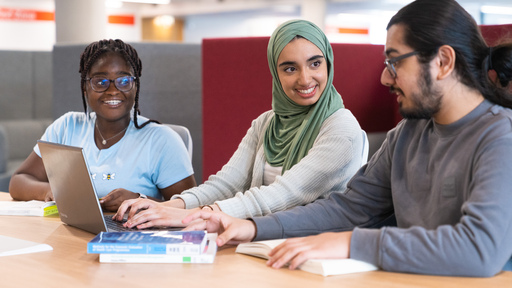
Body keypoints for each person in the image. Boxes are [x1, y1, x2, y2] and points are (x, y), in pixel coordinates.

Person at [182, 0, 512, 277]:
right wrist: (252, 227)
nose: (385, 77)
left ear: (442, 62)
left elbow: (479, 249)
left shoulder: (500, 136)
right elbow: (350, 208)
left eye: (394, 62)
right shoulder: (408, 134)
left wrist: (352, 243)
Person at [114, 19, 367, 228]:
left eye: (315, 63)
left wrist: (197, 215)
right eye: (290, 69)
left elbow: (285, 194)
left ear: (328, 63)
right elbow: (226, 184)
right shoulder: (266, 124)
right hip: (257, 237)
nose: (305, 78)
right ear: (275, 74)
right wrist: (168, 206)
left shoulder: (341, 128)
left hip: (310, 246)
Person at [9, 39, 196, 211]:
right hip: (69, 235)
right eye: (101, 81)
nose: (113, 91)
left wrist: (140, 200)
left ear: (135, 86)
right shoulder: (67, 127)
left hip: (131, 238)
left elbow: (192, 207)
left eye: (124, 81)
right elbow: (18, 182)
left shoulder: (161, 141)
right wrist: (51, 190)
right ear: (85, 87)